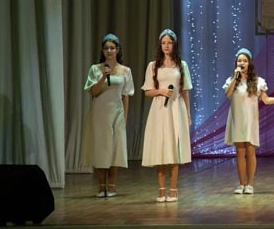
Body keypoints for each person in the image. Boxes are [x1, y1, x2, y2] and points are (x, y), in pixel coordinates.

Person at [223, 48, 274, 195]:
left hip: (250, 120)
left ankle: (250, 184)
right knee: (240, 152)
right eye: (239, 61)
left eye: (245, 61)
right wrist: (235, 78)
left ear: (250, 63)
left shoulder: (258, 82)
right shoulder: (231, 81)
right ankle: (241, 184)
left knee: (250, 150)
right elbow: (227, 94)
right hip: (237, 119)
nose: (242, 63)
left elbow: (266, 100)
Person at [141, 29, 192, 203]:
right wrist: (161, 91)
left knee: (174, 147)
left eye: (169, 42)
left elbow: (185, 91)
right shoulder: (153, 66)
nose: (166, 46)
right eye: (163, 43)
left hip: (176, 109)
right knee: (161, 147)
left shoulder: (181, 65)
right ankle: (161, 191)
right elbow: (147, 91)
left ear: (174, 44)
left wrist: (188, 115)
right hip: (159, 111)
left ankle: (173, 191)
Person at [82, 33, 134, 198]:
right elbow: (94, 92)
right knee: (100, 147)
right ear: (102, 50)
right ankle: (101, 185)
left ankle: (112, 184)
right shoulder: (95, 69)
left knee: (115, 147)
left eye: (112, 48)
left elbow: (126, 95)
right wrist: (103, 76)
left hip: (117, 112)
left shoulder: (125, 70)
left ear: (118, 49)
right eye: (106, 48)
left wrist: (125, 117)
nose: (109, 51)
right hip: (99, 112)